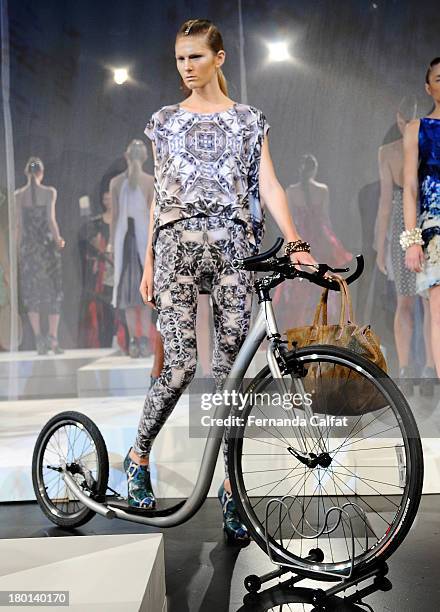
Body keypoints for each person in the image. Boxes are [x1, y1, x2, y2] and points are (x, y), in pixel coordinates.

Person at [123, 18, 317, 543]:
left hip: (234, 250)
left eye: (196, 57)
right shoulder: (163, 120)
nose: (186, 68)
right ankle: (137, 457)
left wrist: (295, 241)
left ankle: (231, 489)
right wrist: (146, 264)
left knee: (229, 377)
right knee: (182, 365)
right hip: (175, 252)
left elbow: (270, 185)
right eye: (180, 58)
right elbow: (158, 198)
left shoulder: (250, 120)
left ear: (220, 58)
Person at [376, 98, 435, 393]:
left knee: (428, 302)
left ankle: (427, 368)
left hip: (427, 221)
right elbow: (385, 202)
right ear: (399, 118)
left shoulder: (428, 139)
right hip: (404, 228)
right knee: (407, 301)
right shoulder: (388, 151)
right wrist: (379, 244)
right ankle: (406, 367)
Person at [274, 154, 352, 331]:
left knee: (298, 287)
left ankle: (298, 329)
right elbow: (325, 219)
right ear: (315, 170)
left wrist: (289, 245)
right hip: (318, 240)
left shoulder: (291, 192)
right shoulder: (322, 190)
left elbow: (289, 221)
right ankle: (318, 329)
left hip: (300, 240)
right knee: (319, 283)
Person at [403, 57, 440, 378]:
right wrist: (413, 240)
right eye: (439, 78)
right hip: (435, 230)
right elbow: (410, 188)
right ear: (429, 88)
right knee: (439, 314)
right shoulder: (418, 130)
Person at [108, 140, 154, 358]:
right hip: (142, 241)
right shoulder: (150, 181)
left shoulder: (116, 182)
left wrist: (110, 244)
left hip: (125, 242)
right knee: (144, 293)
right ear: (144, 157)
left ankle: (135, 341)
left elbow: (114, 218)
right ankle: (142, 339)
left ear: (127, 156)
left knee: (128, 294)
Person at [15, 158, 65, 355]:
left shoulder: (19, 195)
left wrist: (18, 250)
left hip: (29, 250)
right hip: (46, 249)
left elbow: (19, 226)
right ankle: (53, 338)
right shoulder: (49, 192)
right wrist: (59, 239)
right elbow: (51, 220)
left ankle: (39, 339)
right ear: (41, 172)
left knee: (32, 294)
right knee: (54, 292)